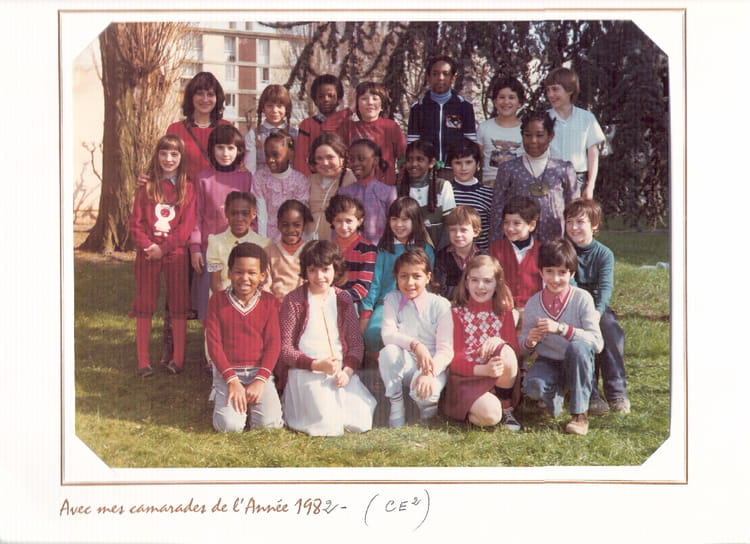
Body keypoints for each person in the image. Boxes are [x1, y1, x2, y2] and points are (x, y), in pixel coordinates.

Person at [277, 240, 376, 436]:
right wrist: (316, 365)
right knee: (327, 425)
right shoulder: (294, 300)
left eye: (325, 269)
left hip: (339, 372)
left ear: (335, 269)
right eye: (313, 270)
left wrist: (347, 371)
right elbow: (285, 349)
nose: (320, 276)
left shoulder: (343, 298)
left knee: (361, 420)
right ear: (305, 271)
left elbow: (356, 344)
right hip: (307, 371)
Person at [519, 238, 603, 436]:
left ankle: (580, 413)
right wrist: (529, 341)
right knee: (533, 387)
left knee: (578, 347)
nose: (555, 279)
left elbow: (597, 343)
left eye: (562, 272)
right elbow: (521, 348)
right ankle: (555, 394)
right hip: (548, 360)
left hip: (578, 361)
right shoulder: (533, 304)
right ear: (541, 272)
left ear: (572, 273)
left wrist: (562, 329)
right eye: (549, 271)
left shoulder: (582, 298)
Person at [128, 135, 195, 377]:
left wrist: (164, 249)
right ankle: (143, 361)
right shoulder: (147, 186)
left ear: (181, 158)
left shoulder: (188, 188)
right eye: (164, 153)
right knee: (145, 304)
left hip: (175, 254)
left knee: (178, 304)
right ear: (157, 156)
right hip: (147, 254)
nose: (168, 159)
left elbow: (185, 228)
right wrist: (148, 246)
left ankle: (178, 359)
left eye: (174, 154)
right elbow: (135, 224)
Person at [205, 242, 284, 432]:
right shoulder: (217, 300)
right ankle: (221, 392)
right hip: (229, 373)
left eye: (252, 273)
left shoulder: (269, 302)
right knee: (229, 427)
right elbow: (214, 345)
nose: (245, 278)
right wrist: (232, 380)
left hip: (259, 373)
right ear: (229, 272)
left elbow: (273, 344)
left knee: (269, 426)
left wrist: (260, 380)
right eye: (238, 272)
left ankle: (253, 401)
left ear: (262, 276)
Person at [564, 198, 630, 415]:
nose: (574, 227)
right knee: (582, 337)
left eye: (580, 222)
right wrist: (585, 313)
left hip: (597, 309)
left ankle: (616, 391)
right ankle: (590, 392)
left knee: (610, 329)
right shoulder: (565, 250)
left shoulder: (604, 254)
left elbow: (605, 287)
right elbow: (570, 285)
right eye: (569, 222)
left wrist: (597, 312)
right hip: (571, 306)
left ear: (594, 225)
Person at [443, 255, 520, 429]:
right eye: (474, 280)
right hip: (466, 377)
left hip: (499, 379)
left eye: (487, 281)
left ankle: (505, 405)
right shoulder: (456, 314)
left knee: (506, 350)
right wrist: (484, 370)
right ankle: (471, 407)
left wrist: (498, 340)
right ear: (466, 282)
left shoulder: (504, 312)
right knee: (490, 416)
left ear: (497, 283)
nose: (480, 286)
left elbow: (513, 353)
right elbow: (454, 360)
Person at [378, 248, 453, 427]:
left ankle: (427, 412)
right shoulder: (392, 299)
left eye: (416, 276)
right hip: (406, 364)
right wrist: (415, 344)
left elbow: (446, 350)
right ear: (397, 277)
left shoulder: (440, 305)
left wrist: (429, 373)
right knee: (388, 352)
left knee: (426, 392)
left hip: (432, 365)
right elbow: (387, 335)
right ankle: (396, 405)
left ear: (428, 277)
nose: (409, 282)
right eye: (403, 276)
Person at [189, 124, 252, 324]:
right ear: (212, 149)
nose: (225, 153)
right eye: (220, 148)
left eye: (231, 148)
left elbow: (253, 216)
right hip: (210, 251)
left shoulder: (246, 179)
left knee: (237, 295)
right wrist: (195, 248)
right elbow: (196, 215)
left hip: (238, 248)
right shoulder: (203, 179)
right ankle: (209, 340)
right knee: (211, 298)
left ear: (239, 151)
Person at [489, 110, 579, 244]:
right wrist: (496, 244)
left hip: (554, 242)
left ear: (550, 136)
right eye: (528, 135)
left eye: (540, 135)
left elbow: (574, 209)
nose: (533, 141)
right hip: (518, 243)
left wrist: (571, 243)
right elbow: (497, 208)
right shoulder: (509, 169)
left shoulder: (563, 169)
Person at [359, 197, 434, 354]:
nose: (399, 224)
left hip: (416, 303)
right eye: (394, 219)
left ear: (415, 221)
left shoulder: (425, 249)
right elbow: (374, 282)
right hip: (386, 303)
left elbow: (428, 284)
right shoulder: (384, 249)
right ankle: (380, 365)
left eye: (405, 219)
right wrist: (366, 312)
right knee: (373, 334)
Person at [322, 81, 406, 186]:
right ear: (357, 104)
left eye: (375, 98)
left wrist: (400, 182)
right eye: (364, 99)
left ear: (382, 106)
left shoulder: (390, 127)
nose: (370, 102)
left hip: (383, 187)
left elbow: (403, 157)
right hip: (354, 186)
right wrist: (350, 109)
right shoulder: (349, 127)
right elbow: (326, 127)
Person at [544, 67, 606, 200]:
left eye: (555, 89)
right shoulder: (544, 118)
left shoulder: (586, 118)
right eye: (548, 90)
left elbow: (592, 153)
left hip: (577, 178)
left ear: (570, 90)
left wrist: (590, 185)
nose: (550, 94)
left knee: (574, 212)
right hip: (549, 176)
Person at [407, 55, 477, 165]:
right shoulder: (418, 108)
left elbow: (471, 144)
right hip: (426, 169)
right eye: (435, 74)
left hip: (455, 169)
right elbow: (413, 145)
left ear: (453, 78)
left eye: (445, 74)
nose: (440, 78)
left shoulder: (464, 107)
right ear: (428, 77)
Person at [165, 71, 231, 182]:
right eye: (200, 94)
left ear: (217, 98)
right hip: (186, 190)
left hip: (218, 190)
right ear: (191, 97)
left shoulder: (227, 128)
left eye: (210, 94)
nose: (205, 99)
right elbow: (165, 164)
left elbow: (237, 165)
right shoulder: (175, 130)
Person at [206, 191, 271, 296]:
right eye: (234, 213)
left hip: (254, 298)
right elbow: (215, 282)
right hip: (223, 297)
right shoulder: (215, 242)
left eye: (245, 213)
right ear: (226, 213)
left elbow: (264, 281)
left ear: (254, 214)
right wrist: (231, 302)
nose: (239, 218)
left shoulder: (264, 244)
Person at [252, 130, 309, 242]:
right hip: (266, 235)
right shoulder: (260, 177)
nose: (270, 160)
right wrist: (263, 241)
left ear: (290, 154)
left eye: (275, 155)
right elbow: (261, 213)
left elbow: (299, 215)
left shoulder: (300, 180)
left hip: (291, 236)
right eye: (267, 155)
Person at [336, 138, 397, 244]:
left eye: (361, 159)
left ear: (375, 160)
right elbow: (336, 228)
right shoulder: (343, 193)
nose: (355, 163)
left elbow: (395, 227)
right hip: (349, 251)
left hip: (379, 250)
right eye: (352, 159)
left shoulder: (388, 192)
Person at [489, 195, 542, 316]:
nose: (510, 228)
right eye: (506, 223)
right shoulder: (496, 249)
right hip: (504, 310)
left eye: (517, 223)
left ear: (531, 225)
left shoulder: (542, 251)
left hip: (534, 311)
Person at [398, 139, 456, 247]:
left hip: (439, 249)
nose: (413, 164)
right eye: (409, 159)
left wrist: (439, 253)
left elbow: (450, 224)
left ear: (431, 163)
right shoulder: (399, 190)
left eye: (420, 159)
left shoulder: (442, 186)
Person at [325, 194, 377, 308]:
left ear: (359, 221)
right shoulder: (327, 249)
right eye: (338, 221)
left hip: (354, 303)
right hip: (327, 301)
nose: (343, 226)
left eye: (349, 221)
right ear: (332, 221)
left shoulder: (368, 250)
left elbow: (363, 287)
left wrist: (338, 298)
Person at [446, 138, 494, 251]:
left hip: (481, 254)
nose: (463, 168)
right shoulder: (445, 191)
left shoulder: (489, 194)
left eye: (468, 162)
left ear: (477, 164)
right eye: (458, 163)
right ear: (451, 165)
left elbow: (492, 228)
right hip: (450, 255)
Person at [476, 76, 525, 185]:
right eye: (501, 97)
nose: (506, 102)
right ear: (494, 101)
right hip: (489, 186)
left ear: (520, 103)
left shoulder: (525, 130)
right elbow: (478, 160)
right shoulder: (484, 128)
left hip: (517, 186)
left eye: (511, 97)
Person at [306, 132, 355, 241]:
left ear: (341, 157)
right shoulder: (310, 180)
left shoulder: (350, 178)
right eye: (319, 158)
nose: (325, 163)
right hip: (311, 240)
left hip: (338, 241)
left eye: (330, 157)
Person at [293, 74, 344, 177]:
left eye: (330, 96)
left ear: (339, 99)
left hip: (341, 179)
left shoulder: (345, 124)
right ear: (315, 100)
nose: (326, 99)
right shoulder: (307, 125)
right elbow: (300, 158)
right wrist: (308, 180)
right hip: (314, 179)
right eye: (321, 96)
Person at [433, 206, 485, 301]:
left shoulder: (483, 257)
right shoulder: (442, 256)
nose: (458, 234)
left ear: (476, 232)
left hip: (477, 304)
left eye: (463, 230)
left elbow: (486, 286)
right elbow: (440, 287)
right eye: (453, 230)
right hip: (448, 304)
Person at [266, 199, 313, 302]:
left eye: (296, 225)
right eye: (285, 224)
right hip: (278, 307)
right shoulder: (268, 252)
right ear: (278, 225)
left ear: (304, 226)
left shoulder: (310, 251)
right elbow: (265, 287)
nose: (291, 230)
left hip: (305, 306)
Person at [244, 84, 298, 174]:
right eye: (270, 106)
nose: (274, 110)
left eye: (279, 106)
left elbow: (297, 163)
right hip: (262, 180)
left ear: (286, 109)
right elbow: (250, 167)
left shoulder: (295, 135)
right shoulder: (254, 135)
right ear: (263, 108)